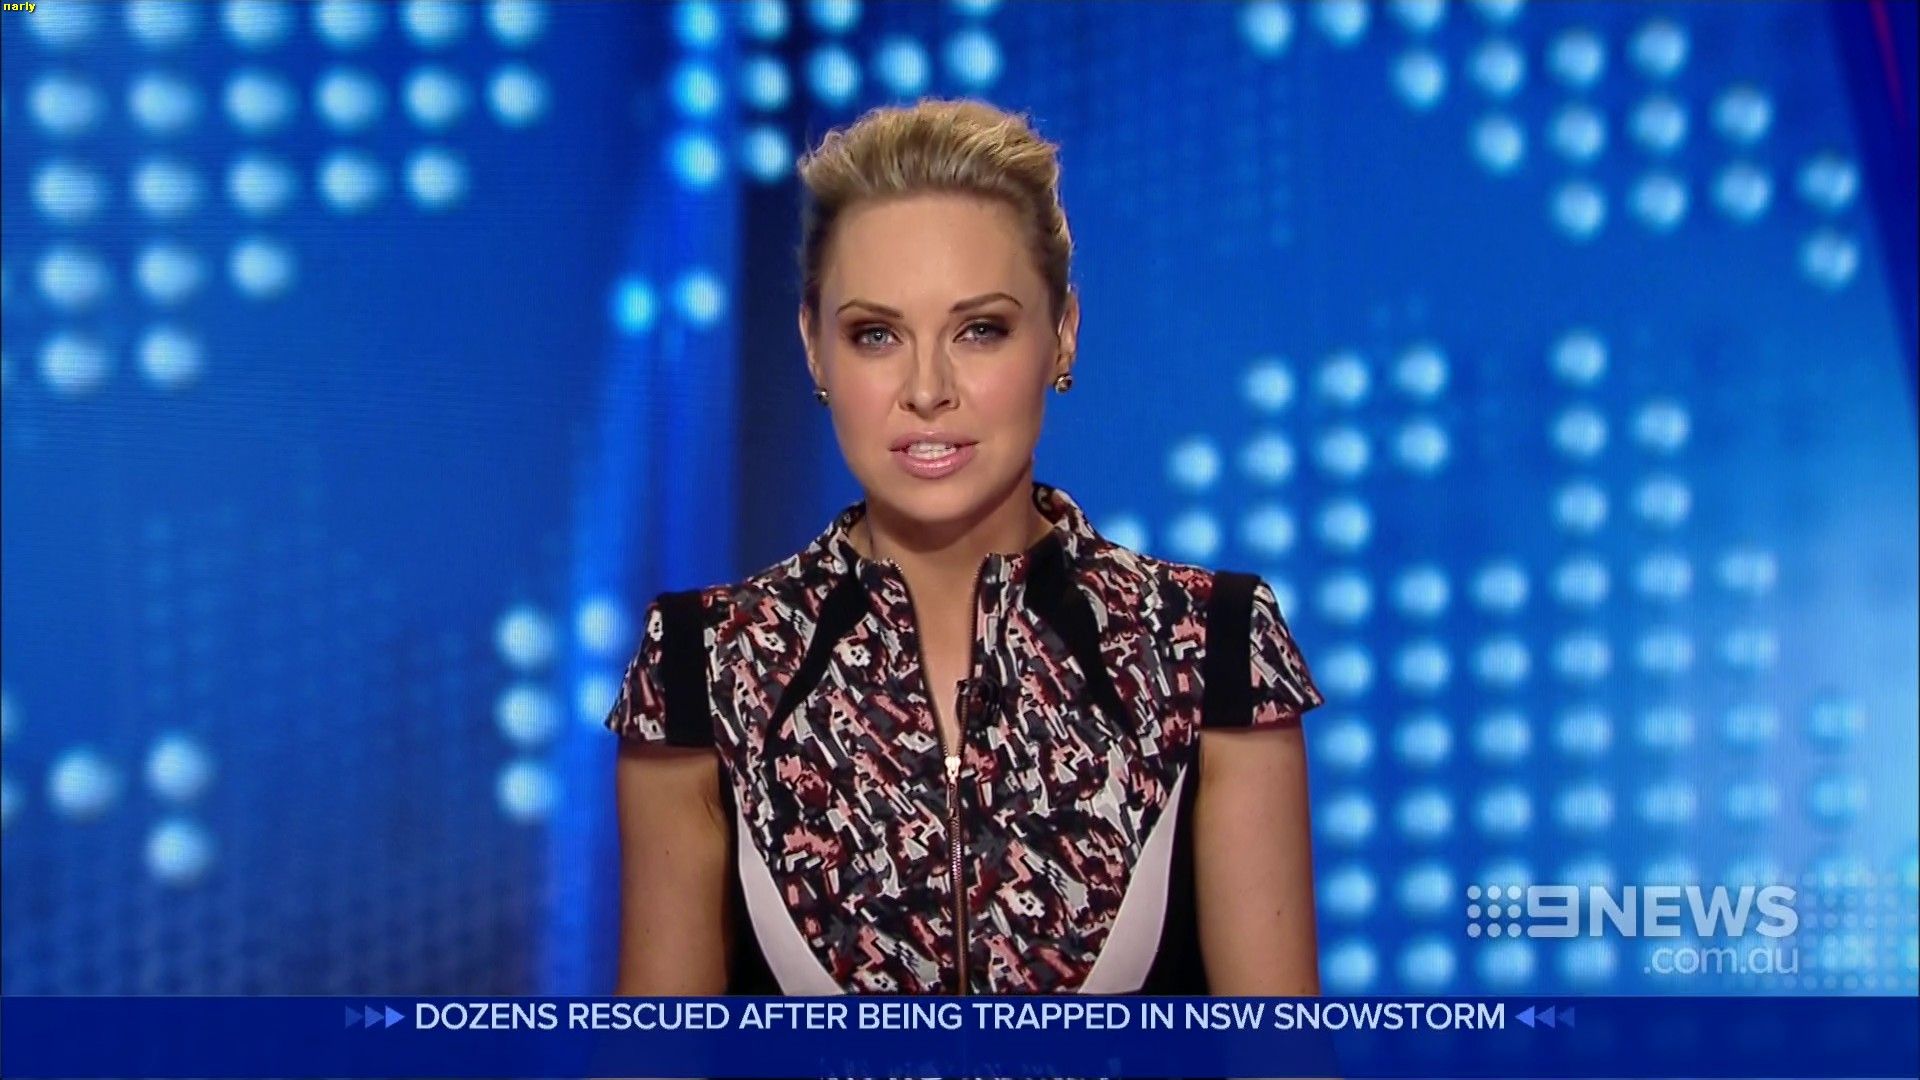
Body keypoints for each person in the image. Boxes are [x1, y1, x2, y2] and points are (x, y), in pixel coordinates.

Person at [608, 98, 1325, 996]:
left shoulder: (1204, 646)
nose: (927, 389)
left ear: (1062, 333)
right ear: (815, 350)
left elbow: (1279, 1052)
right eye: (876, 335)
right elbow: (657, 1053)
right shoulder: (707, 664)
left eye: (980, 329)